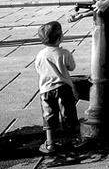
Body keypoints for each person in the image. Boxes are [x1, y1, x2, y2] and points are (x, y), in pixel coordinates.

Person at [33, 20, 78, 154]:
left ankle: (50, 143)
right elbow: (72, 67)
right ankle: (74, 139)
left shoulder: (41, 54)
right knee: (69, 114)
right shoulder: (64, 53)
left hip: (46, 90)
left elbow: (38, 68)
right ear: (60, 38)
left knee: (49, 116)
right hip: (64, 87)